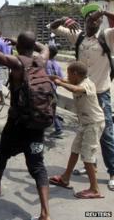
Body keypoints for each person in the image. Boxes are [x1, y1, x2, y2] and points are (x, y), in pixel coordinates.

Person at [0, 2, 52, 220]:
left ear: (19, 47)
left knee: (3, 152)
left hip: (17, 123)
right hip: (37, 122)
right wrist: (24, 42)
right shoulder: (41, 60)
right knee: (38, 166)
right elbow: (44, 46)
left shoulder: (16, 62)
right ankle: (45, 213)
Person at [48, 3, 114, 191]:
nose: (95, 20)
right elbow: (52, 28)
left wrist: (104, 12)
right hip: (81, 95)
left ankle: (112, 172)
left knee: (106, 134)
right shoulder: (77, 36)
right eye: (91, 17)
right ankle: (90, 165)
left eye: (98, 19)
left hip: (100, 94)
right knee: (86, 132)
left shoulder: (107, 36)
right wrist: (61, 20)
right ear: (85, 20)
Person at [49, 61, 105, 199]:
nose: (67, 77)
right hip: (85, 123)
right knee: (75, 150)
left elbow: (76, 90)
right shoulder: (78, 80)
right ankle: (65, 178)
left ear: (75, 74)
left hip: (93, 123)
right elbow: (69, 82)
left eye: (69, 74)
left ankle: (94, 189)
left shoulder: (86, 84)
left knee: (87, 156)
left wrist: (60, 83)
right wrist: (56, 77)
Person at [46, 45, 64, 138]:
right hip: (53, 89)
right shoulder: (57, 64)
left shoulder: (44, 63)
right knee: (52, 109)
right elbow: (61, 78)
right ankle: (56, 127)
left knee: (49, 109)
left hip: (45, 90)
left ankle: (58, 129)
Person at [0, 30, 12, 105]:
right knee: (7, 82)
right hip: (8, 64)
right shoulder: (7, 41)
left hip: (0, 65)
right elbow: (11, 53)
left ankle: (2, 100)